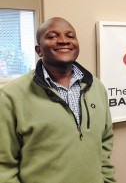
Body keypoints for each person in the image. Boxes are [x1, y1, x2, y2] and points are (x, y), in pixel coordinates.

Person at [0, 17, 116, 183]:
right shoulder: (11, 95)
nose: (63, 41)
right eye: (52, 36)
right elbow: (3, 164)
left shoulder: (96, 87)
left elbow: (105, 142)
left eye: (70, 36)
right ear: (38, 50)